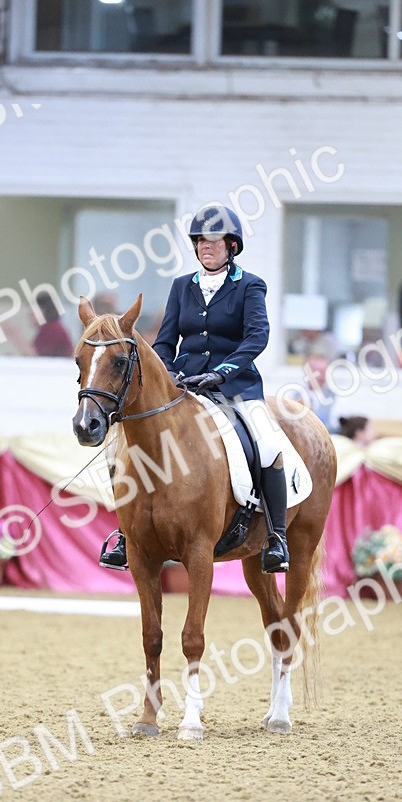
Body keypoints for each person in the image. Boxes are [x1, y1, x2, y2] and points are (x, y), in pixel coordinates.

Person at [100, 203, 290, 575]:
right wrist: (167, 374)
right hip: (185, 386)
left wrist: (222, 372)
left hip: (234, 387)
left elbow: (257, 337)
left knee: (268, 444)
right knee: (121, 446)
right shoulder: (181, 286)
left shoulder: (250, 285)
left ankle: (276, 537)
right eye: (201, 240)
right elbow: (167, 340)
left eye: (214, 241)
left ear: (231, 246)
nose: (206, 246)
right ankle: (128, 533)